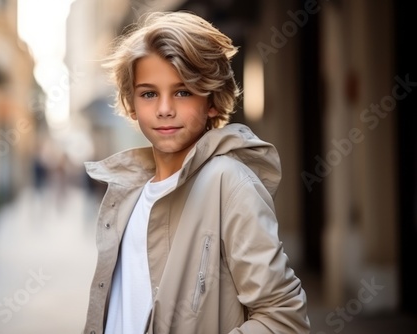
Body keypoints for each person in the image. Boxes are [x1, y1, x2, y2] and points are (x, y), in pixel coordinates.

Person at [83, 10, 310, 334]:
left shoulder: (229, 183)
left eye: (183, 91)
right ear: (132, 103)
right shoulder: (128, 193)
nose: (164, 108)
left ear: (213, 101)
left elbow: (284, 318)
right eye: (149, 93)